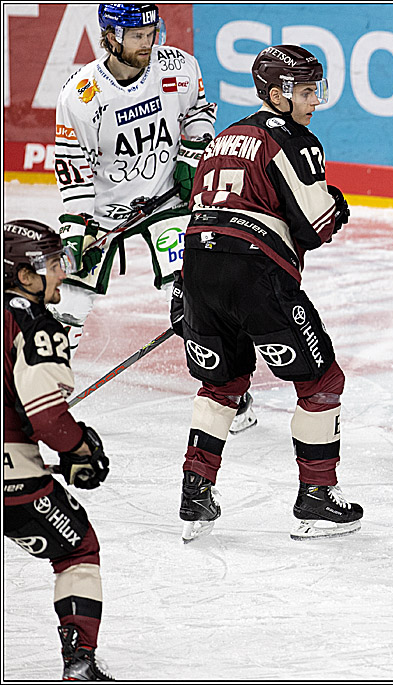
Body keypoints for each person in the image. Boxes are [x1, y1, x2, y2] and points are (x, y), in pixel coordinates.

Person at [172, 44, 360, 543]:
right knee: (322, 381)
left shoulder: (222, 139)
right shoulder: (293, 139)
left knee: (222, 386)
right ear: (276, 94)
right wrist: (338, 204)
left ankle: (196, 494)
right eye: (304, 91)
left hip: (198, 265)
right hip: (255, 274)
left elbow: (199, 215)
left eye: (314, 89)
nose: (313, 101)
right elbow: (317, 222)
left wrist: (185, 289)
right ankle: (316, 499)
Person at [51, 4, 254, 433]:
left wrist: (190, 158)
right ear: (110, 36)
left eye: (151, 31)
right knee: (69, 300)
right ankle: (43, 395)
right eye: (137, 35)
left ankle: (229, 393)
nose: (148, 41)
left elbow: (197, 112)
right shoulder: (81, 95)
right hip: (106, 210)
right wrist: (76, 233)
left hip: (165, 200)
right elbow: (75, 170)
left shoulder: (178, 67)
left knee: (198, 292)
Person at [3, 220, 115, 680]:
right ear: (25, 277)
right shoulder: (35, 325)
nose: (60, 274)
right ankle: (79, 660)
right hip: (13, 476)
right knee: (77, 549)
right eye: (51, 264)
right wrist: (79, 448)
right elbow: (48, 417)